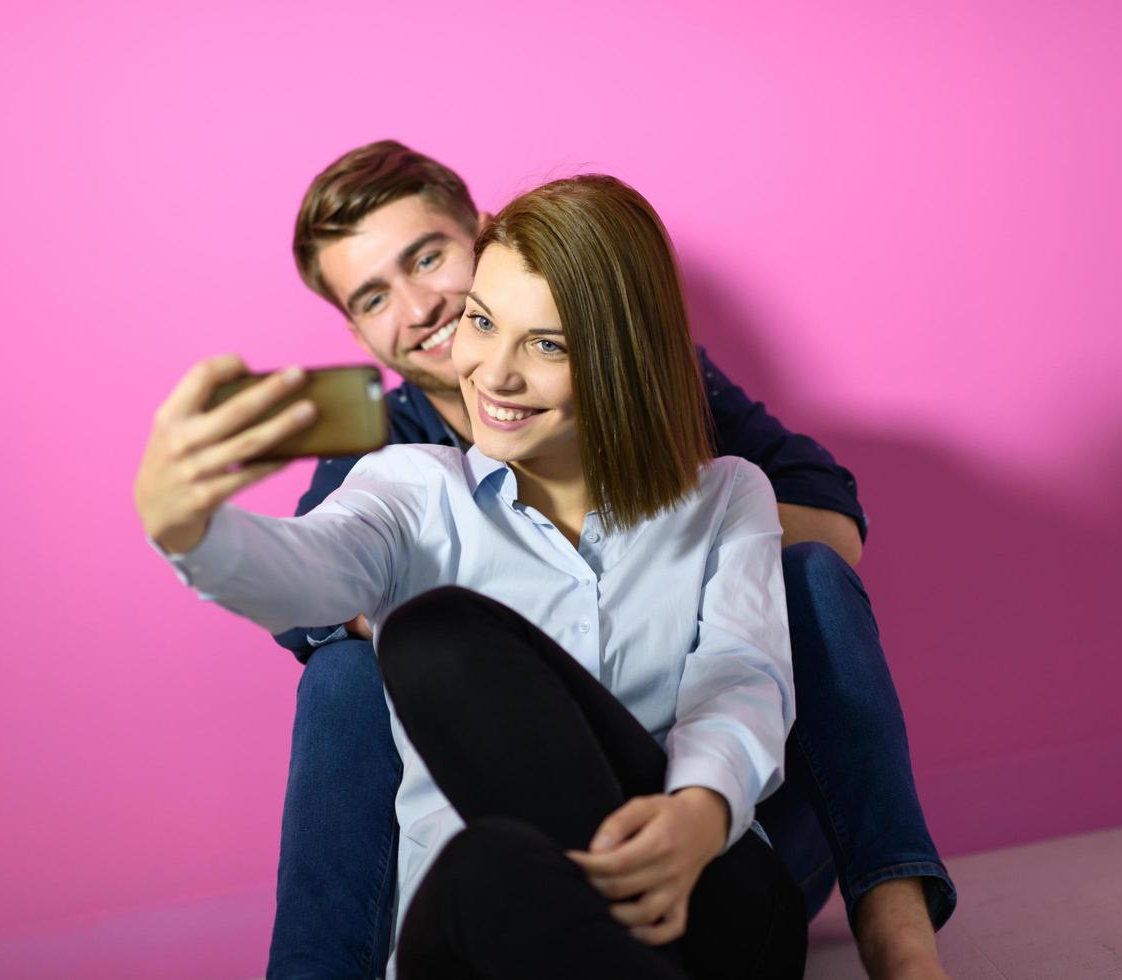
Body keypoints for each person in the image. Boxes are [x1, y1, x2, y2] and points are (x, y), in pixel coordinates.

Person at [271, 142, 954, 980]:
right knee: (347, 669)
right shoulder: (383, 451)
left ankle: (900, 939)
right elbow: (306, 602)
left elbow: (835, 529)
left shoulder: (647, 384)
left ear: (487, 239)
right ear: (355, 329)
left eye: (428, 256)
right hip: (517, 848)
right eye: (375, 296)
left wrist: (646, 505)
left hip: (722, 832)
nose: (419, 306)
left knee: (807, 576)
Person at [138, 175, 814, 977]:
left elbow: (741, 675)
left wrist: (698, 814)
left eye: (548, 344)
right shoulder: (411, 485)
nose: (494, 375)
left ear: (621, 360)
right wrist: (191, 531)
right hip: (501, 920)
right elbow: (310, 568)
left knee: (433, 635)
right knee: (479, 858)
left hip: (708, 899)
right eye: (483, 323)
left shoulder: (728, 494)